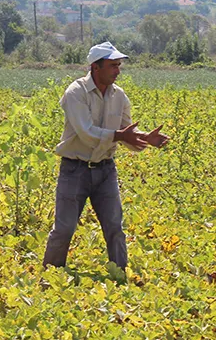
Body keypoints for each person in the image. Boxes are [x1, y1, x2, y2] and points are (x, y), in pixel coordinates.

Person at [43, 42, 170, 270]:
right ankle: (50, 275)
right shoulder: (76, 93)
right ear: (96, 67)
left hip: (105, 170)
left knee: (114, 227)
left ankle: (120, 275)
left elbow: (125, 131)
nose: (118, 71)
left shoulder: (119, 96)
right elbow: (87, 133)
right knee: (64, 229)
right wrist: (121, 136)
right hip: (74, 169)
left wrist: (144, 138)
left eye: (119, 65)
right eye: (113, 65)